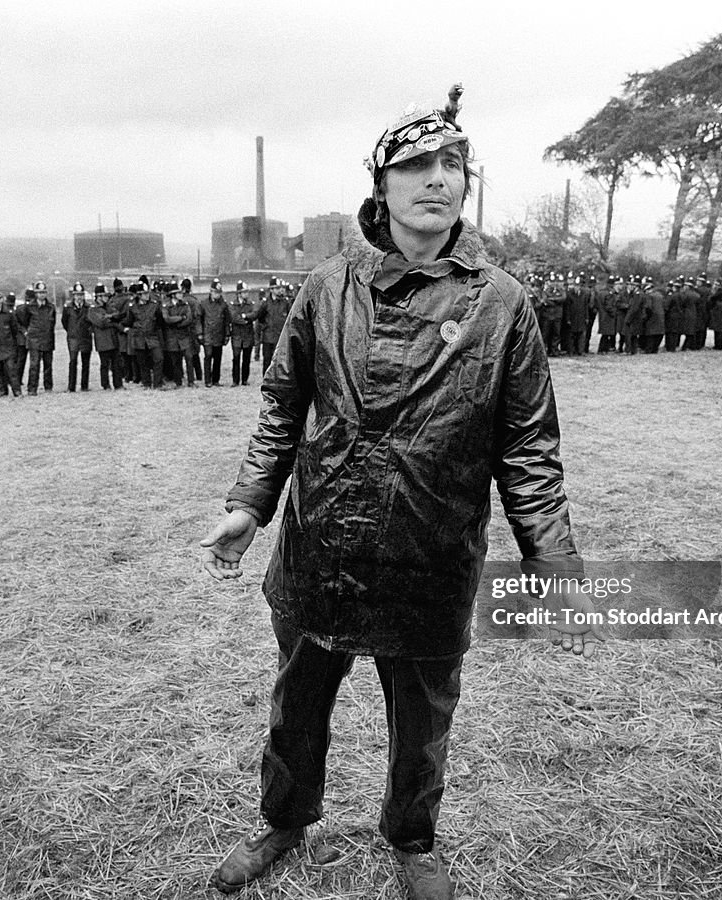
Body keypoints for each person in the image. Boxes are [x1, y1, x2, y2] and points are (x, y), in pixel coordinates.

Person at [200, 85, 600, 900]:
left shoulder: (503, 304)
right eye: (416, 164)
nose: (437, 179)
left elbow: (528, 443)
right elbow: (282, 405)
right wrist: (251, 503)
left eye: (453, 163)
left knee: (423, 721)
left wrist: (551, 556)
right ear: (380, 186)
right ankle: (284, 820)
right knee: (297, 705)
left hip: (431, 549)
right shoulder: (326, 287)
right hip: (322, 544)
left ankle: (413, 838)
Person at [18, 281, 56, 394]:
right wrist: (26, 332)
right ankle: (32, 388)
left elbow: (53, 323)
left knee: (48, 365)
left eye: (44, 292)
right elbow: (21, 322)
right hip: (34, 339)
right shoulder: (29, 307)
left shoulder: (51, 307)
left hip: (47, 338)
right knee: (34, 365)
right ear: (35, 294)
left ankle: (48, 387)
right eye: (39, 292)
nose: (42, 295)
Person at [62, 282, 93, 391]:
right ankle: (71, 386)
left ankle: (84, 386)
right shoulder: (68, 308)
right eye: (77, 295)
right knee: (73, 361)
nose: (79, 297)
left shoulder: (88, 307)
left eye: (81, 295)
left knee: (86, 363)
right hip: (73, 338)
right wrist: (71, 331)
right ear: (73, 295)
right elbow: (64, 322)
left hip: (85, 337)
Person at [227, 280, 258, 386]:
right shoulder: (232, 304)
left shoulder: (251, 304)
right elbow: (233, 317)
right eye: (244, 292)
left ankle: (245, 379)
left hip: (247, 335)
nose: (246, 294)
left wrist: (245, 316)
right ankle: (235, 380)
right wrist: (244, 320)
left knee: (246, 358)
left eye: (247, 292)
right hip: (236, 335)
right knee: (236, 358)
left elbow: (254, 314)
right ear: (239, 293)